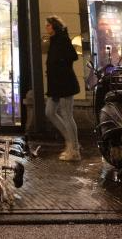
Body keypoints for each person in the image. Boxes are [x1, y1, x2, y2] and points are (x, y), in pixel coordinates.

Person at [45, 16, 81, 161]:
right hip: (55, 85)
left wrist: (60, 64)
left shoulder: (63, 40)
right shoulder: (54, 40)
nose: (46, 28)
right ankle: (70, 141)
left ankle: (74, 150)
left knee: (67, 114)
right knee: (50, 112)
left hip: (65, 84)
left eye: (48, 25)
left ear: (54, 26)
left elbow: (72, 56)